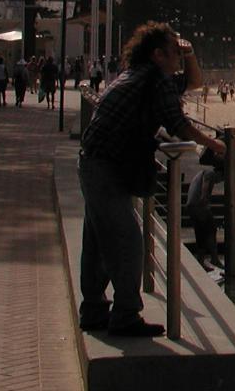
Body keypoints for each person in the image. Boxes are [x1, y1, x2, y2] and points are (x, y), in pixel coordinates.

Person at [77, 22, 225, 336]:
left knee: (97, 242)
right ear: (158, 55)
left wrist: (190, 55)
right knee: (127, 242)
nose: (178, 57)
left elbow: (193, 83)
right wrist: (213, 144)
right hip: (106, 167)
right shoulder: (153, 79)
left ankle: (93, 310)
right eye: (174, 52)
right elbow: (178, 124)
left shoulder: (141, 75)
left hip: (95, 161)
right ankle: (126, 315)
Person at [186, 162, 221, 269]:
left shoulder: (203, 173)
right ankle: (214, 258)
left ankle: (201, 261)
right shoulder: (210, 173)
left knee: (200, 233)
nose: (220, 181)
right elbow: (204, 191)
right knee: (211, 229)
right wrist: (205, 204)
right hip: (198, 206)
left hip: (192, 205)